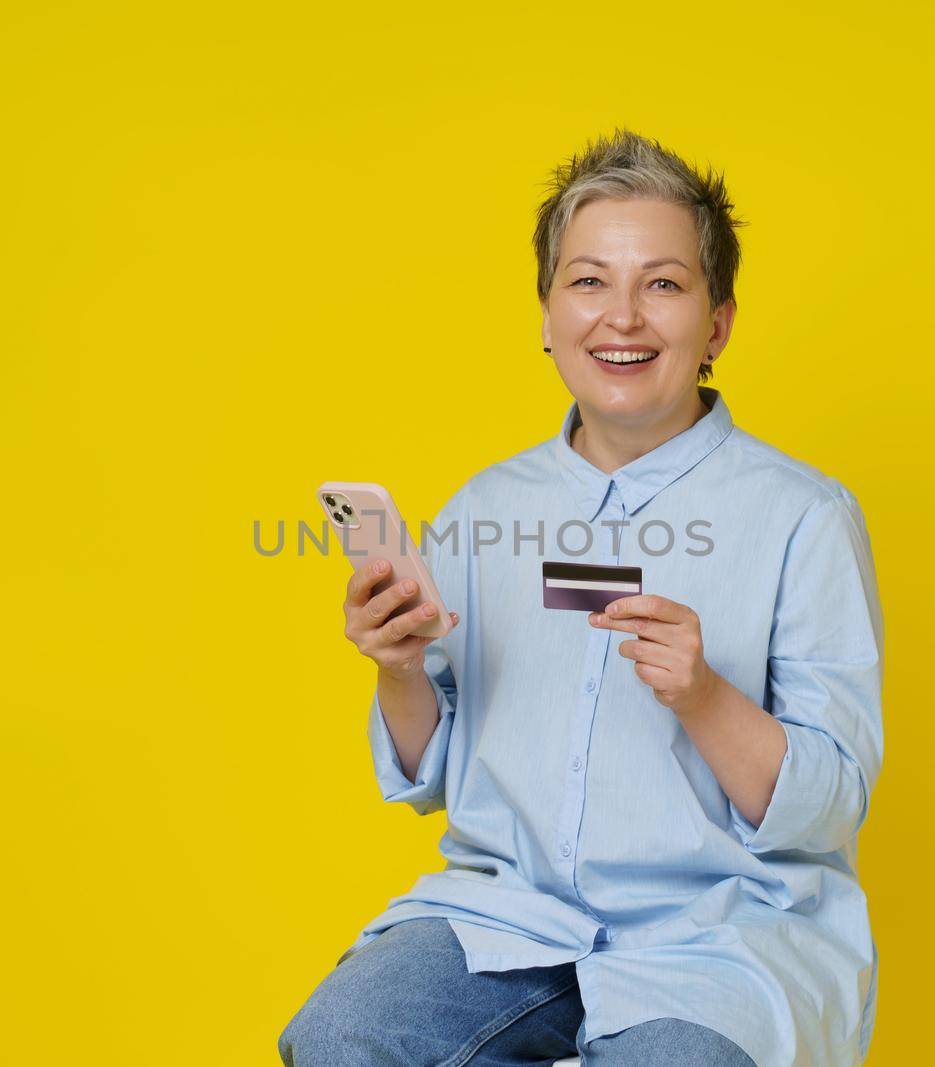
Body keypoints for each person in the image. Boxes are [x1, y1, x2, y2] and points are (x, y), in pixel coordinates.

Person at [280, 128, 885, 1066]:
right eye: (591, 280)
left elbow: (831, 803)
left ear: (717, 322)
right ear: (549, 314)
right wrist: (397, 668)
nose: (623, 318)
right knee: (339, 1040)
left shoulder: (804, 517)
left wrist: (706, 695)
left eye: (665, 283)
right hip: (507, 915)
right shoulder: (488, 508)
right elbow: (433, 775)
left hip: (718, 936)